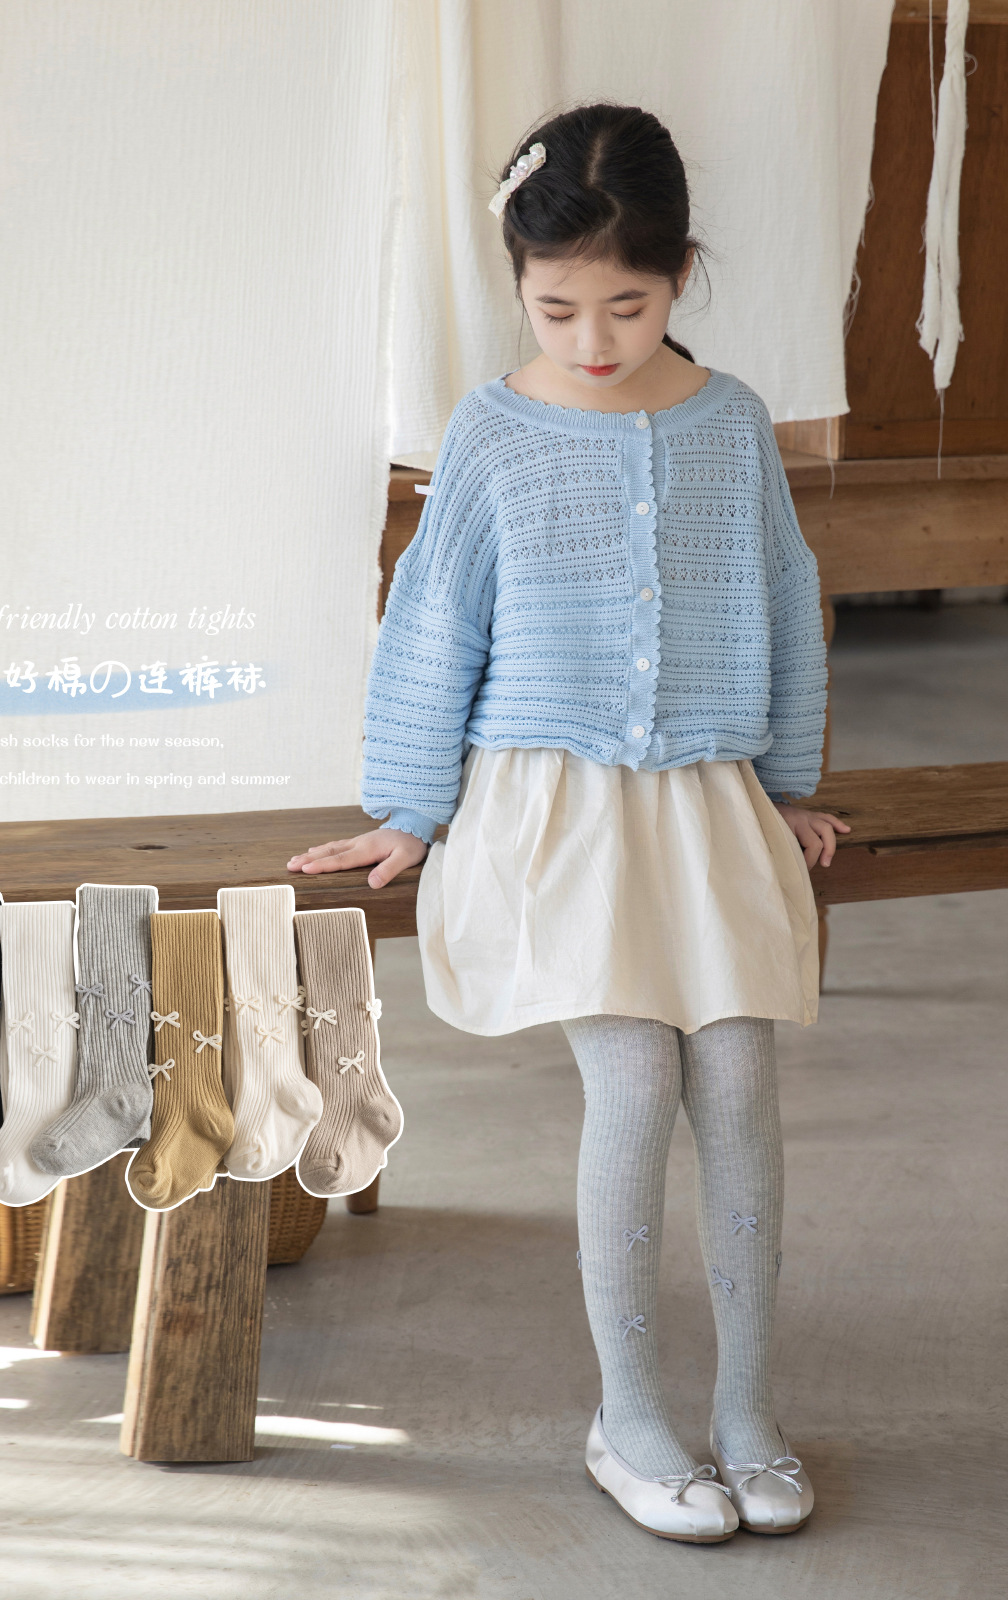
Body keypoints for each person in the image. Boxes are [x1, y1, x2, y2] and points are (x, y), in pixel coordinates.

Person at [287, 102, 850, 1545]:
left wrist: (790, 784)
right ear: (518, 283)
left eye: (629, 305)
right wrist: (410, 811)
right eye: (557, 309)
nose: (594, 339)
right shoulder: (495, 432)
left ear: (681, 275)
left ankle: (748, 1414)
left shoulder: (729, 423)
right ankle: (632, 1417)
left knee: (740, 1082)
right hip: (552, 814)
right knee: (637, 1085)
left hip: (707, 810)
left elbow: (786, 600)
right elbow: (435, 623)